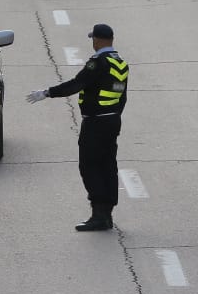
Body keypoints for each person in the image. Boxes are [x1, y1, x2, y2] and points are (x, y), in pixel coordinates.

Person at [26, 23, 129, 231]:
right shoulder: (121, 64)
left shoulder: (97, 63)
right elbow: (122, 96)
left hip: (95, 122)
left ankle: (98, 214)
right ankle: (107, 212)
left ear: (97, 40)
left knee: (89, 165)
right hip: (112, 120)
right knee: (108, 164)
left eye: (93, 39)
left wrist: (47, 93)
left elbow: (76, 84)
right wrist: (114, 116)